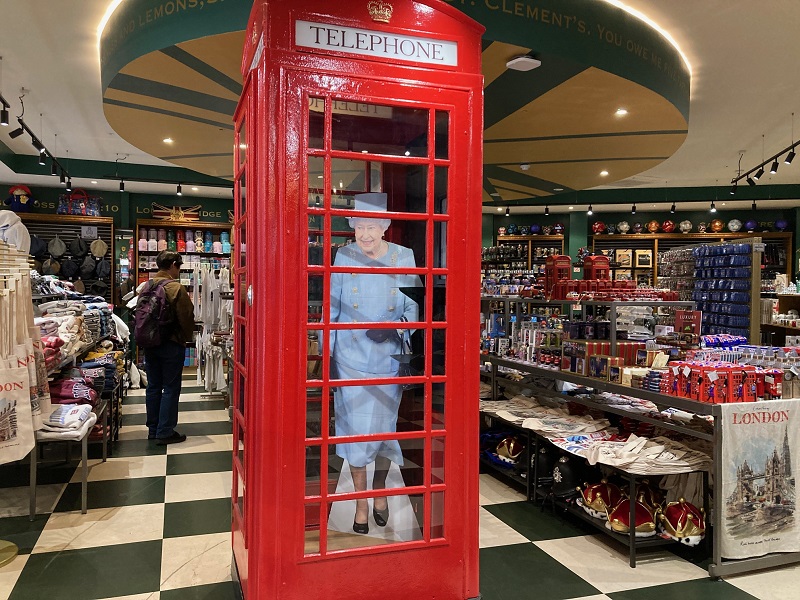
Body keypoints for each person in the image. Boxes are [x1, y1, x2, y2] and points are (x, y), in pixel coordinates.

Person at [330, 193, 420, 535]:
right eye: (359, 227)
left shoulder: (404, 256)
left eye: (372, 227)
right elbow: (332, 308)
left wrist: (395, 327)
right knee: (355, 432)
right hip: (349, 359)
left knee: (383, 431)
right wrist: (328, 355)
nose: (365, 235)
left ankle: (379, 490)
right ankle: (360, 502)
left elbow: (414, 306)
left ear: (384, 227)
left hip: (387, 360)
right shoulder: (343, 255)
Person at [144, 250, 195, 445]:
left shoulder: (147, 285)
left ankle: (153, 429)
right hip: (171, 343)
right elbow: (186, 316)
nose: (179, 270)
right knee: (171, 388)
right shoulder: (175, 287)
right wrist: (185, 338)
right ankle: (165, 431)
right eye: (179, 266)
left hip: (150, 342)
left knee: (153, 386)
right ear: (173, 265)